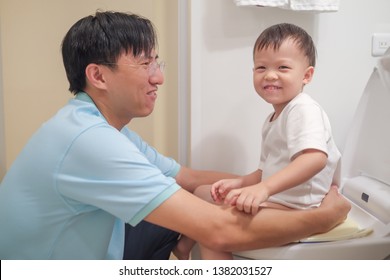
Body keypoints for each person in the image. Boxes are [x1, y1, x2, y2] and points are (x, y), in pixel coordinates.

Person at [0, 12, 349, 260]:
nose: (159, 78)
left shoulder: (100, 126)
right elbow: (219, 231)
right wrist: (323, 217)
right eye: (145, 64)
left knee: (199, 197)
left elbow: (188, 178)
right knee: (215, 226)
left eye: (158, 63)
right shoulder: (90, 141)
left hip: (96, 246)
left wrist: (248, 184)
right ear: (99, 76)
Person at [176, 23, 342, 259]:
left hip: (298, 206)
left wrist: (263, 190)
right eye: (261, 67)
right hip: (280, 198)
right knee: (203, 193)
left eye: (283, 67)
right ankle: (183, 245)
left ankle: (194, 248)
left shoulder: (303, 110)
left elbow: (315, 159)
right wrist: (242, 182)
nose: (270, 74)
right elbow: (266, 170)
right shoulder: (274, 118)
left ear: (307, 75)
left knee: (213, 235)